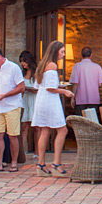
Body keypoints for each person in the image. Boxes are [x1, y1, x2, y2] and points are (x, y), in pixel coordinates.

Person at [32, 41, 75, 177]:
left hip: (41, 99)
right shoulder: (52, 65)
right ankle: (56, 164)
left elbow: (38, 85)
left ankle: (41, 164)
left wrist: (59, 87)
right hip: (50, 101)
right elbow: (50, 87)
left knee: (45, 130)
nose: (63, 55)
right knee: (62, 130)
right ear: (55, 51)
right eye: (62, 52)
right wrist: (65, 92)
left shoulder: (42, 65)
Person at [0, 47, 25, 173]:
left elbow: (21, 87)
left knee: (13, 136)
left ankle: (14, 162)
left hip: (12, 106)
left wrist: (5, 95)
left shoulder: (14, 68)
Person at [70, 47, 102, 115]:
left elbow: (75, 84)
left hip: (80, 99)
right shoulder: (97, 67)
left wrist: (73, 97)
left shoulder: (77, 66)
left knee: (80, 121)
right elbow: (100, 84)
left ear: (81, 54)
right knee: (92, 121)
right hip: (94, 99)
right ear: (91, 55)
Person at [18, 51, 38, 160]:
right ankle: (23, 150)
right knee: (24, 126)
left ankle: (37, 152)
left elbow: (40, 88)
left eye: (24, 61)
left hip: (34, 99)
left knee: (36, 127)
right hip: (24, 99)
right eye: (21, 62)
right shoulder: (21, 73)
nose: (23, 64)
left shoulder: (36, 72)